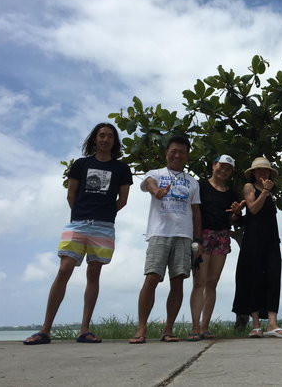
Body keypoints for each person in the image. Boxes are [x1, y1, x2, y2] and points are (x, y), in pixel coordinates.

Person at [24, 123, 132, 345]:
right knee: (64, 269)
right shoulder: (81, 164)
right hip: (78, 224)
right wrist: (82, 214)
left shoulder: (121, 168)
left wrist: (104, 213)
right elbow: (70, 195)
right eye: (101, 135)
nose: (105, 139)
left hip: (104, 226)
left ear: (114, 141)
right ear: (94, 139)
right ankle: (45, 330)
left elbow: (122, 200)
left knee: (94, 273)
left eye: (110, 136)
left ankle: (84, 329)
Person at [129, 135, 201, 344]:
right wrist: (157, 191)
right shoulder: (156, 173)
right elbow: (149, 184)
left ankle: (168, 329)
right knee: (151, 278)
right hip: (159, 232)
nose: (177, 155)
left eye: (182, 152)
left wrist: (197, 240)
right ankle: (141, 328)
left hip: (184, 235)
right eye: (173, 151)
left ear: (187, 156)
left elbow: (196, 212)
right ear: (166, 153)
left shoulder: (192, 182)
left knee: (177, 282)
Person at [188, 155, 246, 341]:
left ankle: (205, 327)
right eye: (221, 166)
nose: (224, 170)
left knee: (212, 282)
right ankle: (195, 327)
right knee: (199, 282)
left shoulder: (231, 194)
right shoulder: (200, 186)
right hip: (202, 234)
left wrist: (237, 213)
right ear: (213, 166)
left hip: (222, 236)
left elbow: (232, 219)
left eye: (228, 168)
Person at [233, 157, 282, 338]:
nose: (262, 173)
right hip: (253, 241)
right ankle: (256, 324)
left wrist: (267, 191)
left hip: (271, 241)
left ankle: (272, 323)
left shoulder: (270, 192)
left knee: (273, 278)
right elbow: (253, 209)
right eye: (259, 171)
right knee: (253, 279)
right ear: (253, 173)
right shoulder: (250, 188)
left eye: (265, 171)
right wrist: (265, 191)